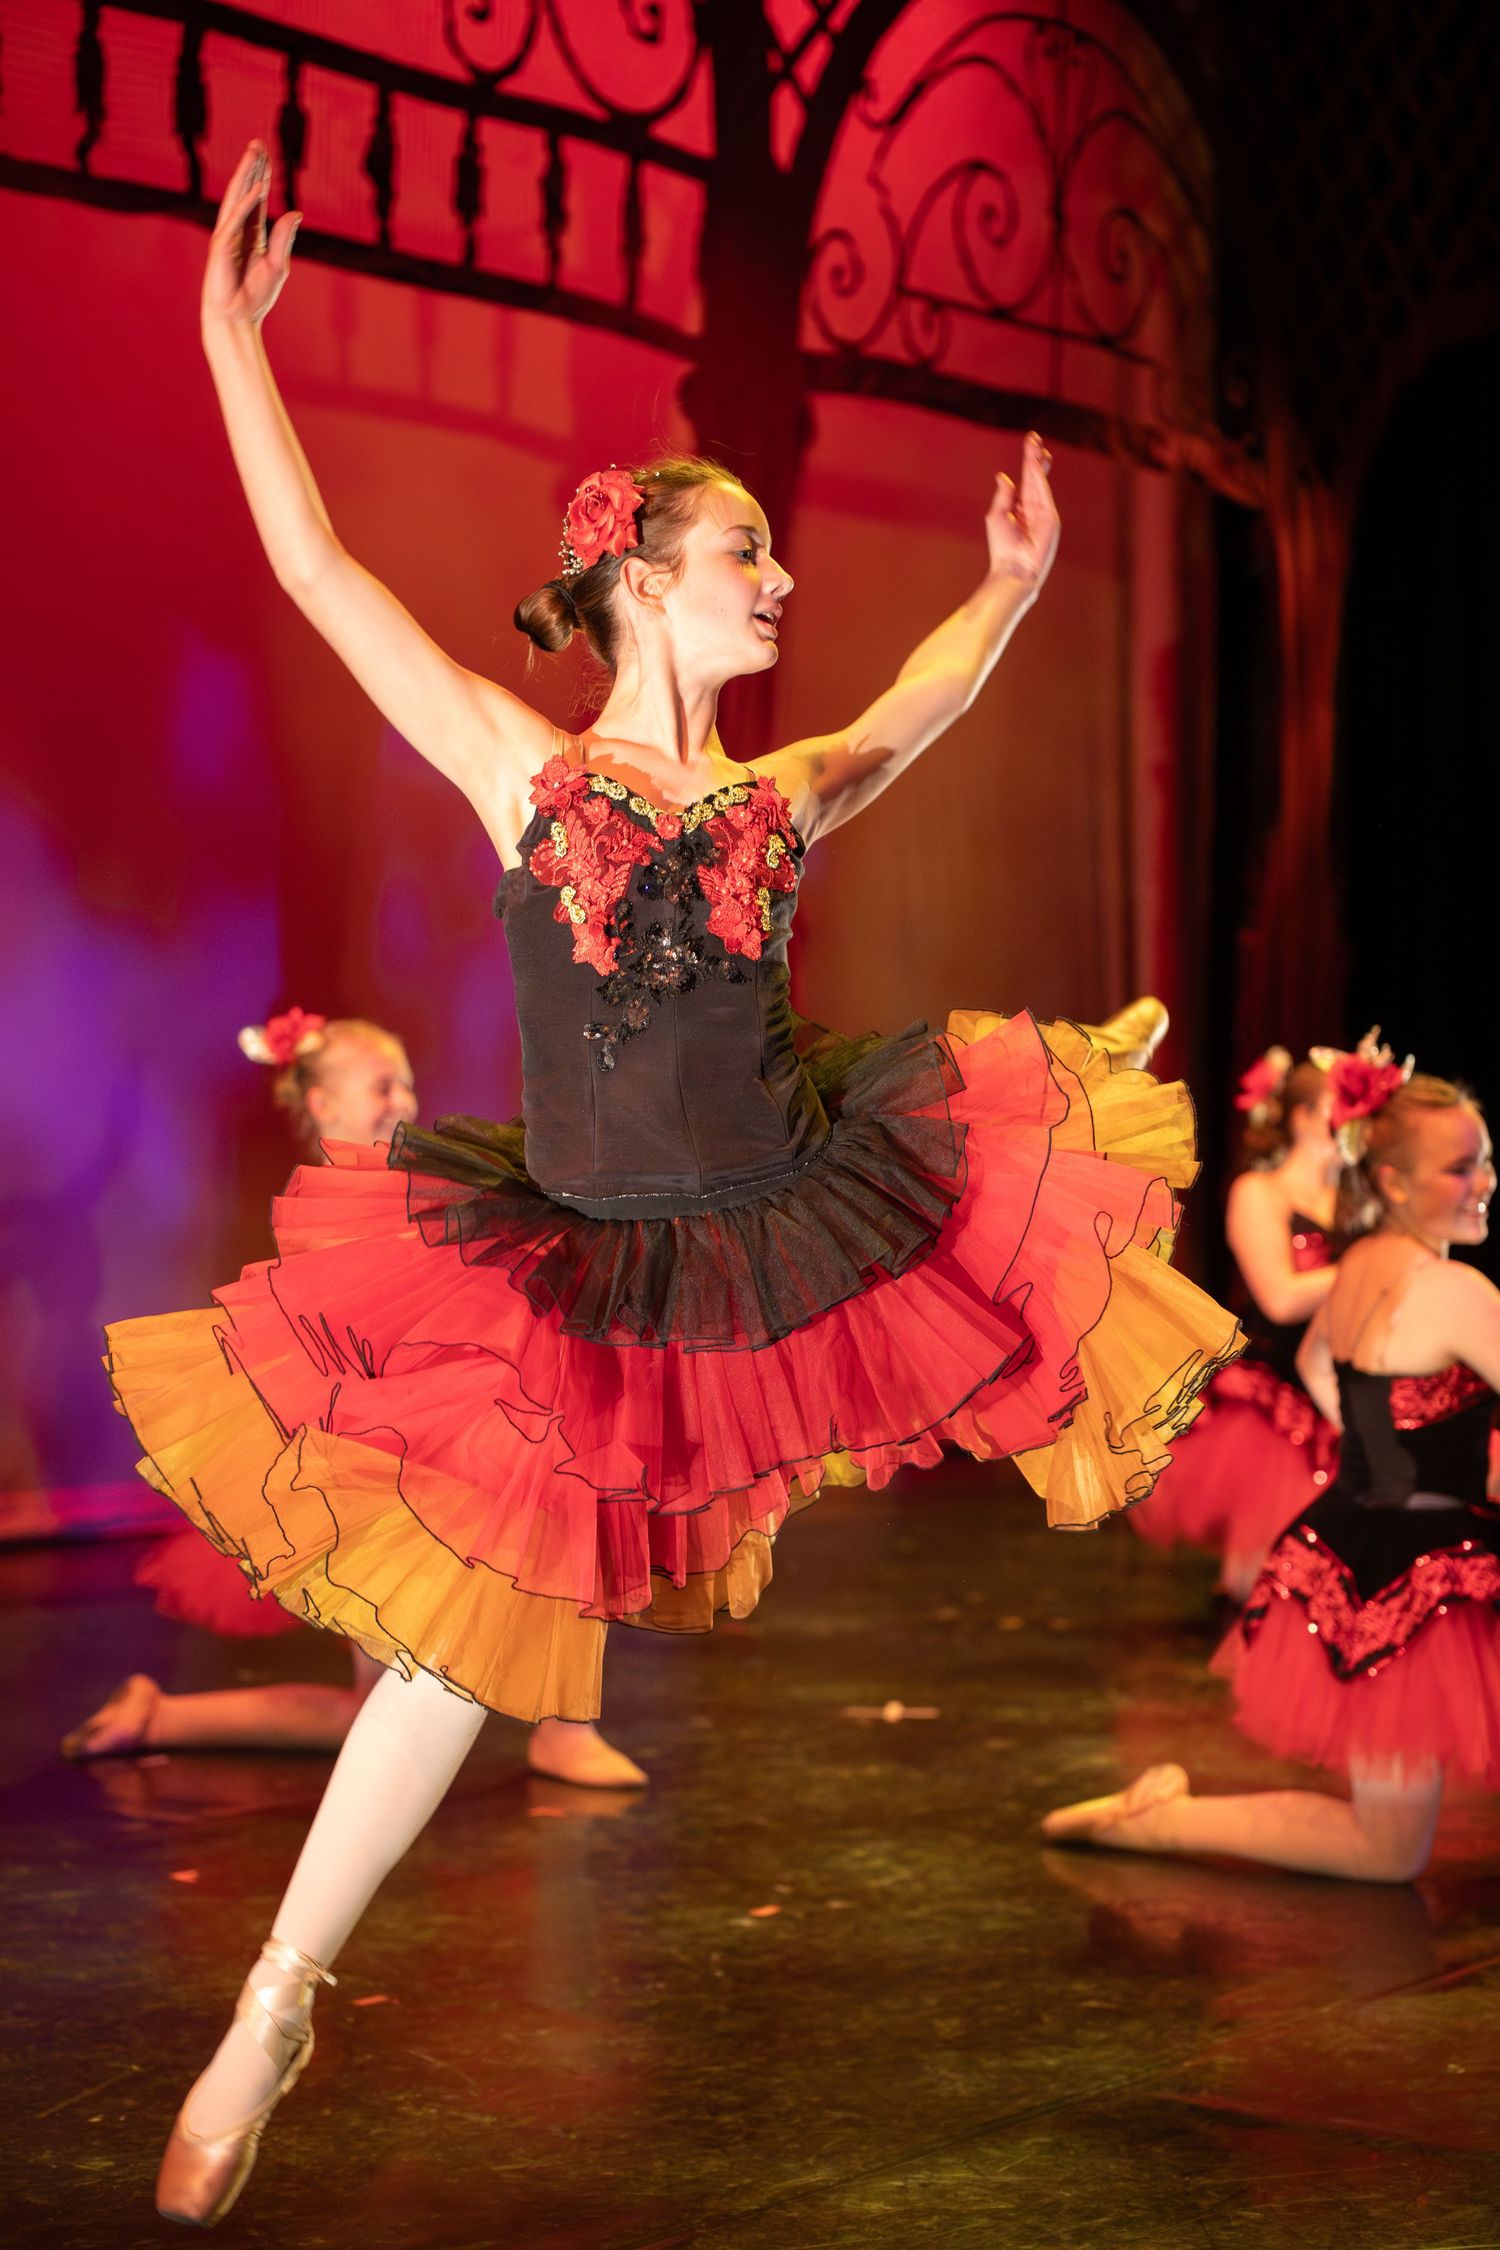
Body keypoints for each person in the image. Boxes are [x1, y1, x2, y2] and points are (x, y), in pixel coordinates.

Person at [108, 140, 1239, 2224]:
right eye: (749, 559)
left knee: (1041, 1324)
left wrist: (1006, 582)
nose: (783, 586)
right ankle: (273, 2003)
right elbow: (316, 570)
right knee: (456, 1642)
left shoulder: (778, 794)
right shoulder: (518, 770)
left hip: (783, 1206)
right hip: (581, 1257)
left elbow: (914, 711)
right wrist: (221, 343)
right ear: (645, 577)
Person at [71, 1009, 643, 1788]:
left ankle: (164, 1716)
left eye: (407, 1080)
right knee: (375, 1708)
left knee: (559, 1502)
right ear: (323, 1106)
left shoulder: (417, 1186)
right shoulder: (338, 1204)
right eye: (381, 1084)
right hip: (374, 1468)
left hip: (429, 1445)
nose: (404, 1098)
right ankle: (165, 1716)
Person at [1044, 1038, 1500, 1883]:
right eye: (1460, 1168)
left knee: (1386, 1847)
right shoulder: (1457, 1293)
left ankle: (1162, 1822)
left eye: (1486, 1162)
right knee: (1386, 1851)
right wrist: (1451, 1467)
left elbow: (1327, 1368)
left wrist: (1406, 1455)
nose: (1484, 1183)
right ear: (1394, 1182)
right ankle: (1163, 1824)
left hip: (1362, 1547)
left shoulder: (1362, 1265)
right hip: (1418, 1574)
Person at [1128, 1046, 1344, 1600]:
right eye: (1339, 1106)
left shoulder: (1355, 1197)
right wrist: (1369, 1267)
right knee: (1260, 1562)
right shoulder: (1258, 1192)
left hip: (1341, 1378)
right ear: (1301, 1115)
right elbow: (1279, 1298)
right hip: (1274, 1391)